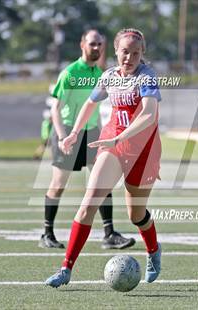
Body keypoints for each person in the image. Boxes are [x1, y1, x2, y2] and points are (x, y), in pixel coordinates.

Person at [45, 28, 162, 288]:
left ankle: (154, 250)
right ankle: (66, 268)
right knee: (88, 204)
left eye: (135, 53)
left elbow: (149, 114)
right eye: (124, 52)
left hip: (144, 149)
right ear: (116, 52)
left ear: (142, 54)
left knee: (136, 214)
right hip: (112, 145)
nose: (129, 58)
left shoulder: (147, 77)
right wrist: (74, 133)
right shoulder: (109, 76)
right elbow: (90, 103)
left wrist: (120, 138)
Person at [39, 29, 135, 250]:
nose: (96, 48)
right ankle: (47, 233)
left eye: (100, 44)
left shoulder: (99, 73)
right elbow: (56, 108)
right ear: (82, 44)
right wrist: (63, 136)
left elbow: (94, 110)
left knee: (103, 181)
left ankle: (109, 234)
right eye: (92, 44)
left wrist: (105, 136)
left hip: (92, 134)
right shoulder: (70, 73)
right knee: (58, 185)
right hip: (68, 133)